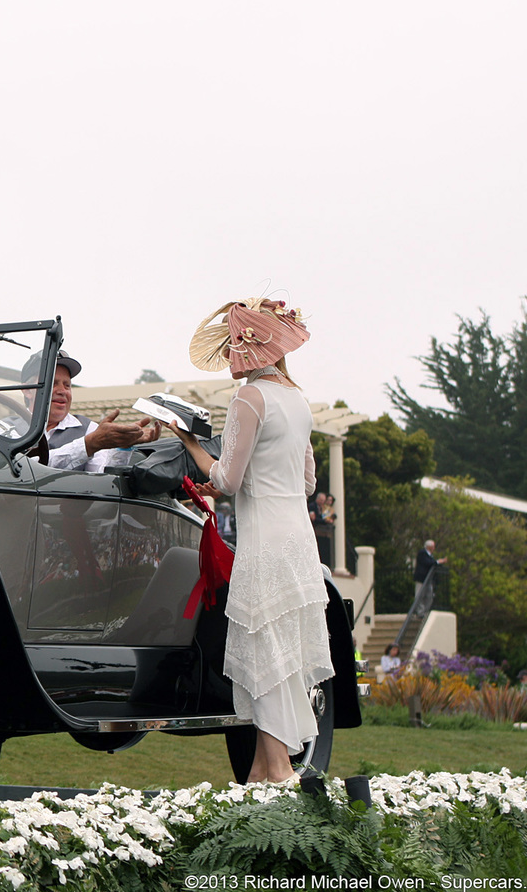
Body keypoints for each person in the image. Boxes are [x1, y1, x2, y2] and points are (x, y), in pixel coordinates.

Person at [170, 296, 332, 784]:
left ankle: (278, 768)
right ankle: (264, 769)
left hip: (264, 538)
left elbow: (229, 478)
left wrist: (189, 442)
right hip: (299, 538)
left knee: (265, 650)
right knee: (280, 650)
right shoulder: (298, 400)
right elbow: (306, 483)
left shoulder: (249, 398)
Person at [22, 352, 161, 473]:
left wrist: (123, 447)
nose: (62, 391)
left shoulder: (90, 429)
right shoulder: (5, 429)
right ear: (28, 390)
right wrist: (89, 444)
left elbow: (103, 480)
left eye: (67, 385)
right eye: (53, 383)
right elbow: (21, 467)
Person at [413, 539, 446, 604]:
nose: (434, 548)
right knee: (419, 595)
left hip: (428, 579)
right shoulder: (422, 553)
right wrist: (438, 562)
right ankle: (420, 611)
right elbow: (427, 562)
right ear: (429, 547)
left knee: (429, 596)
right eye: (433, 546)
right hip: (421, 578)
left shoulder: (430, 555)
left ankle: (425, 611)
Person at [309, 491, 334, 567]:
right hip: (316, 530)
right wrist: (324, 521)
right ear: (318, 499)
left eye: (324, 500)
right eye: (322, 500)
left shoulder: (324, 508)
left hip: (323, 531)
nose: (323, 502)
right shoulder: (312, 506)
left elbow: (326, 516)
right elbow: (314, 518)